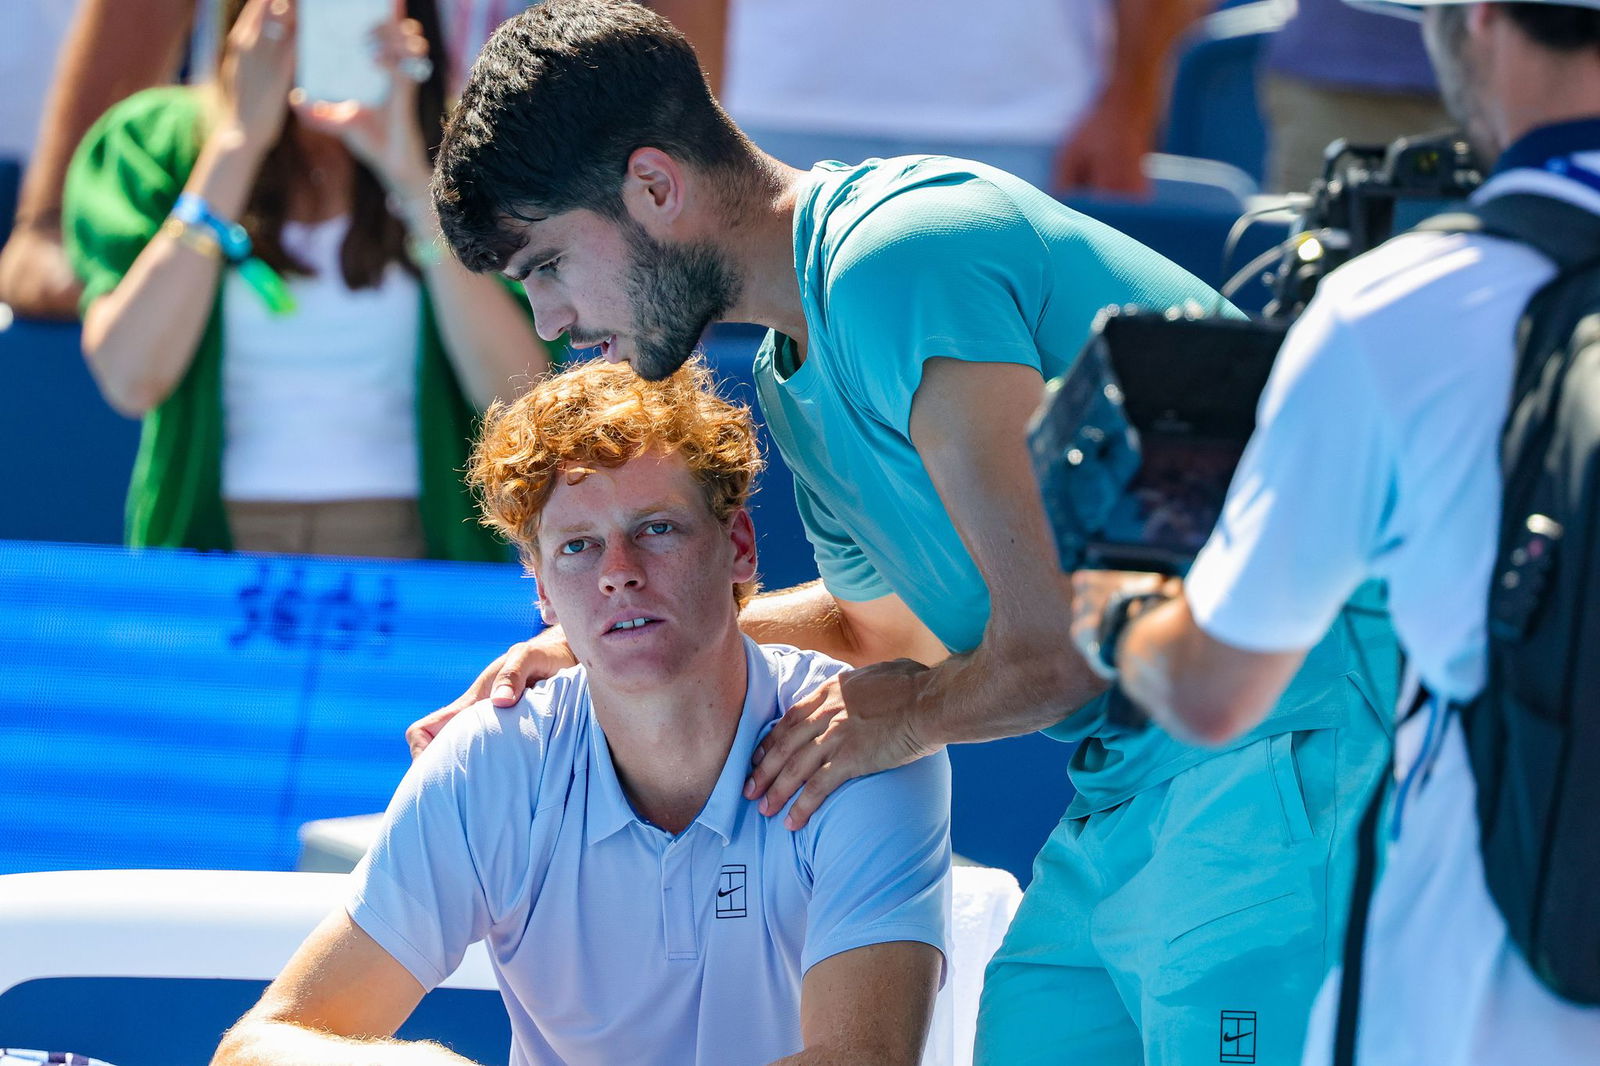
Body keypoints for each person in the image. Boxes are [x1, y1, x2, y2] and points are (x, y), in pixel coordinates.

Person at [415, 2, 1396, 1062]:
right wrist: (596, 643)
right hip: (1143, 781)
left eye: (549, 263)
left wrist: (911, 716)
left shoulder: (899, 256)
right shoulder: (798, 378)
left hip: (1285, 733)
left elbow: (1048, 651)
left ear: (655, 187)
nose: (550, 318)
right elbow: (882, 627)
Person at [1068, 1, 1600, 1062]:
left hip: (1491, 1000)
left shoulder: (1396, 308)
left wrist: (1117, 612)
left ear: (1478, 21)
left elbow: (1211, 689)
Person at [210, 356, 951, 1066]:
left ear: (740, 548)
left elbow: (862, 1059)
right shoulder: (488, 760)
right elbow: (260, 1047)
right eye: (578, 548)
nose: (618, 575)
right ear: (540, 592)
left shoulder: (857, 743)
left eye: (656, 529)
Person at [63, 0, 547, 559]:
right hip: (215, 550)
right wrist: (238, 143)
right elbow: (130, 378)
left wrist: (413, 176)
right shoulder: (150, 142)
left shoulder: (475, 146)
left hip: (413, 550)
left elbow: (520, 399)